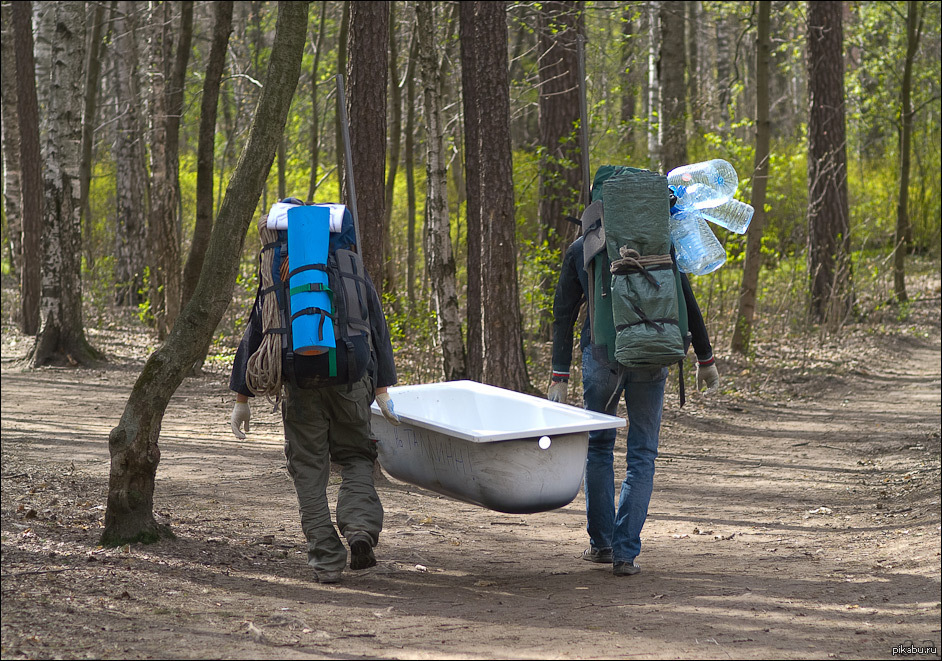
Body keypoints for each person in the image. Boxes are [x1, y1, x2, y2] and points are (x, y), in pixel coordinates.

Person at [228, 225, 401, 585]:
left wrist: (242, 399)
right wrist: (383, 389)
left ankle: (326, 559)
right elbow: (377, 327)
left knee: (308, 471)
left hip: (300, 385)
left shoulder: (278, 271)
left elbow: (255, 332)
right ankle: (360, 529)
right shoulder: (349, 265)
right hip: (352, 382)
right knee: (355, 457)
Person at [548, 235, 719, 577]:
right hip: (651, 354)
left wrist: (560, 374)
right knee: (642, 454)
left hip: (601, 358)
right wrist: (705, 356)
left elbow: (563, 314)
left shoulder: (583, 247)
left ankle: (603, 546)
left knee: (598, 448)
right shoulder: (660, 241)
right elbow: (686, 299)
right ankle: (625, 554)